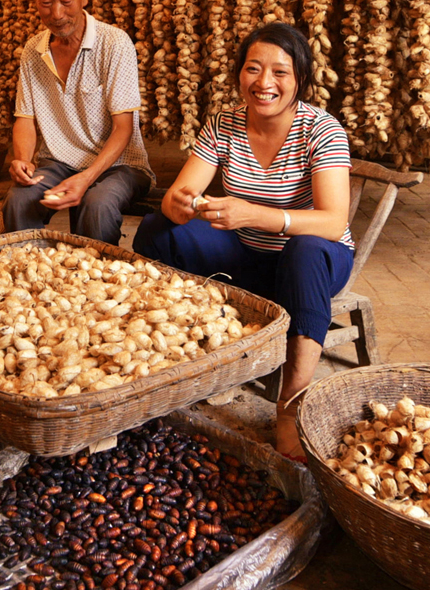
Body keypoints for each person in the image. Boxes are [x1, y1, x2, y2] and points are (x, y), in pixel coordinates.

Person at [133, 23, 353, 460]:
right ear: (239, 74)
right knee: (159, 229)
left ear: (301, 79)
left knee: (304, 250)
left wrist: (254, 215)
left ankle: (291, 404)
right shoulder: (224, 123)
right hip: (246, 258)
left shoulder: (321, 130)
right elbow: (183, 193)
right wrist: (181, 205)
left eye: (280, 72)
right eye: (253, 69)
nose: (264, 83)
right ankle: (177, 350)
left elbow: (332, 221)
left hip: (314, 261)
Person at [3, 0, 153, 245]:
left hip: (120, 164)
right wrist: (22, 161)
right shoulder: (33, 51)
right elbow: (25, 119)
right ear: (35, 0)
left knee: (97, 204)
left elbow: (123, 128)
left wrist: (86, 178)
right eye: (46, 1)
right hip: (59, 162)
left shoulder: (114, 43)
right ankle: (30, 277)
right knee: (18, 200)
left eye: (65, 0)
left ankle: (95, 285)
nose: (56, 13)